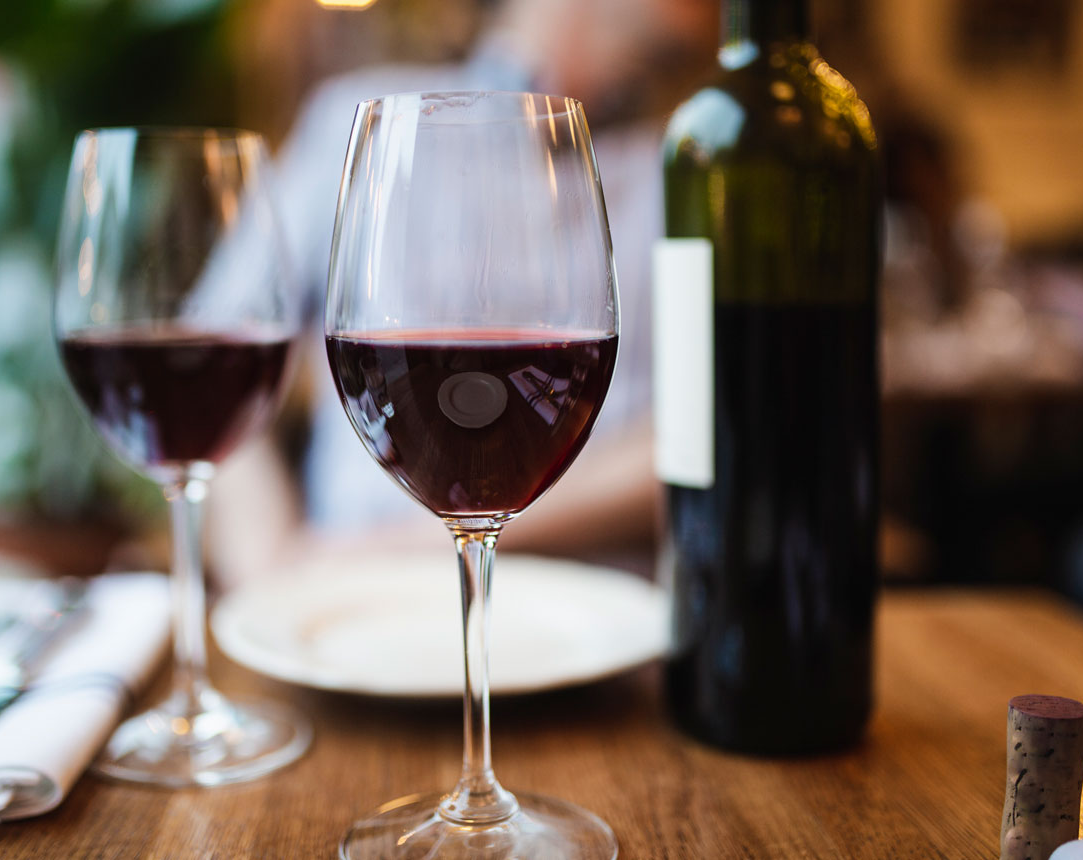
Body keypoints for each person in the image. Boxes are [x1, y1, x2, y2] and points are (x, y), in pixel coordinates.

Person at [209, 0, 720, 584]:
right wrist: (273, 567)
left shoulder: (687, 166)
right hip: (347, 605)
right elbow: (219, 360)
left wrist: (406, 548)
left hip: (592, 607)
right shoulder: (358, 124)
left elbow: (712, 433)